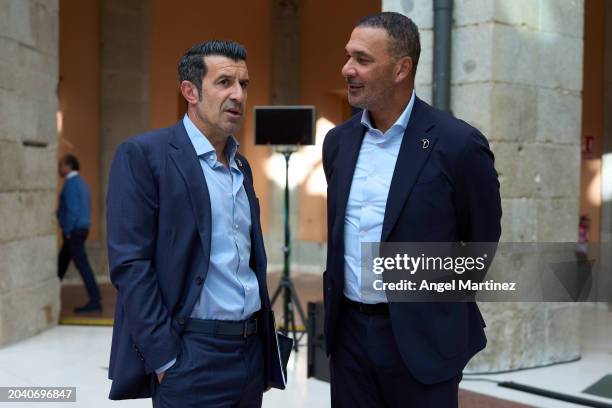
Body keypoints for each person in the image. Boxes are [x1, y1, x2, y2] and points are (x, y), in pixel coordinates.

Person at [322, 12, 502, 407]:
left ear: (402, 68)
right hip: (349, 338)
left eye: (363, 59)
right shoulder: (338, 142)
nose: (347, 68)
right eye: (348, 56)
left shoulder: (458, 145)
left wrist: (431, 312)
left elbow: (481, 245)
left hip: (423, 343)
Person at [106, 40, 275, 407]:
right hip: (191, 356)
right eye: (225, 82)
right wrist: (166, 359)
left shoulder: (240, 166)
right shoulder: (144, 156)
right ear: (190, 91)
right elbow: (130, 264)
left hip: (249, 354)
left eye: (244, 85)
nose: (238, 95)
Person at [57, 154, 102, 313]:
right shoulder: (83, 183)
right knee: (61, 265)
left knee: (82, 266)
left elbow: (72, 210)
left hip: (73, 231)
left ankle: (95, 300)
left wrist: (68, 231)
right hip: (82, 228)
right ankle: (50, 295)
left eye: (61, 165)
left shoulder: (70, 184)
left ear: (69, 166)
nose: (59, 168)